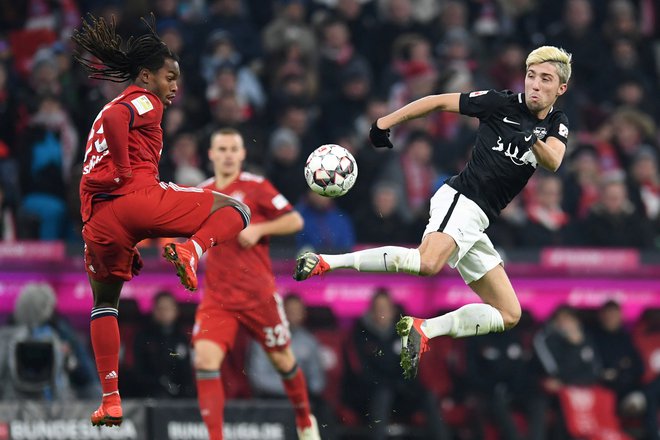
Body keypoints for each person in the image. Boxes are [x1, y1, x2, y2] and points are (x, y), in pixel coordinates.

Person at [295, 45, 572, 379]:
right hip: (461, 198)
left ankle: (425, 328)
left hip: (479, 220)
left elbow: (554, 160)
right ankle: (328, 261)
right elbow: (439, 101)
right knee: (427, 263)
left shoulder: (557, 122)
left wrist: (531, 139)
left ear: (560, 88)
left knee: (508, 313)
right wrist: (386, 121)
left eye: (545, 79)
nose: (535, 85)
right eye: (531, 76)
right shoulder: (499, 103)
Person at [71, 15, 251, 427]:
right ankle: (190, 250)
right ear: (146, 75)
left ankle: (111, 399)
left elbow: (109, 135)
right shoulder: (140, 99)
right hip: (136, 198)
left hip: (98, 221)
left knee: (105, 303)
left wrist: (125, 234)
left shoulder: (103, 110)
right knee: (236, 209)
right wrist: (121, 171)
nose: (173, 87)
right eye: (169, 77)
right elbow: (122, 123)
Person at [192, 128, 321, 440]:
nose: (227, 155)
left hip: (257, 295)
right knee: (205, 360)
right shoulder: (200, 193)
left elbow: (295, 220)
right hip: (218, 298)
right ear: (211, 154)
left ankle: (305, 420)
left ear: (242, 154)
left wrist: (260, 228)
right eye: (221, 149)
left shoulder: (256, 186)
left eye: (232, 149)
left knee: (282, 360)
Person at [342, 288, 450, 440]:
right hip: (368, 394)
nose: (382, 312)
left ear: (393, 311)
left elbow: (412, 369)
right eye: (378, 308)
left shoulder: (404, 333)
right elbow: (360, 373)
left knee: (427, 396)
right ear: (371, 311)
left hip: (400, 392)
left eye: (385, 308)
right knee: (383, 394)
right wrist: (387, 384)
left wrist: (402, 385)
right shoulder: (359, 334)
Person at [132, 291, 195, 398]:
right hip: (150, 393)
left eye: (167, 308)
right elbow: (139, 371)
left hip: (181, 395)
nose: (164, 312)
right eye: (160, 308)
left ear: (176, 311)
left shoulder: (182, 338)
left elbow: (187, 371)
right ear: (153, 311)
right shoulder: (143, 337)